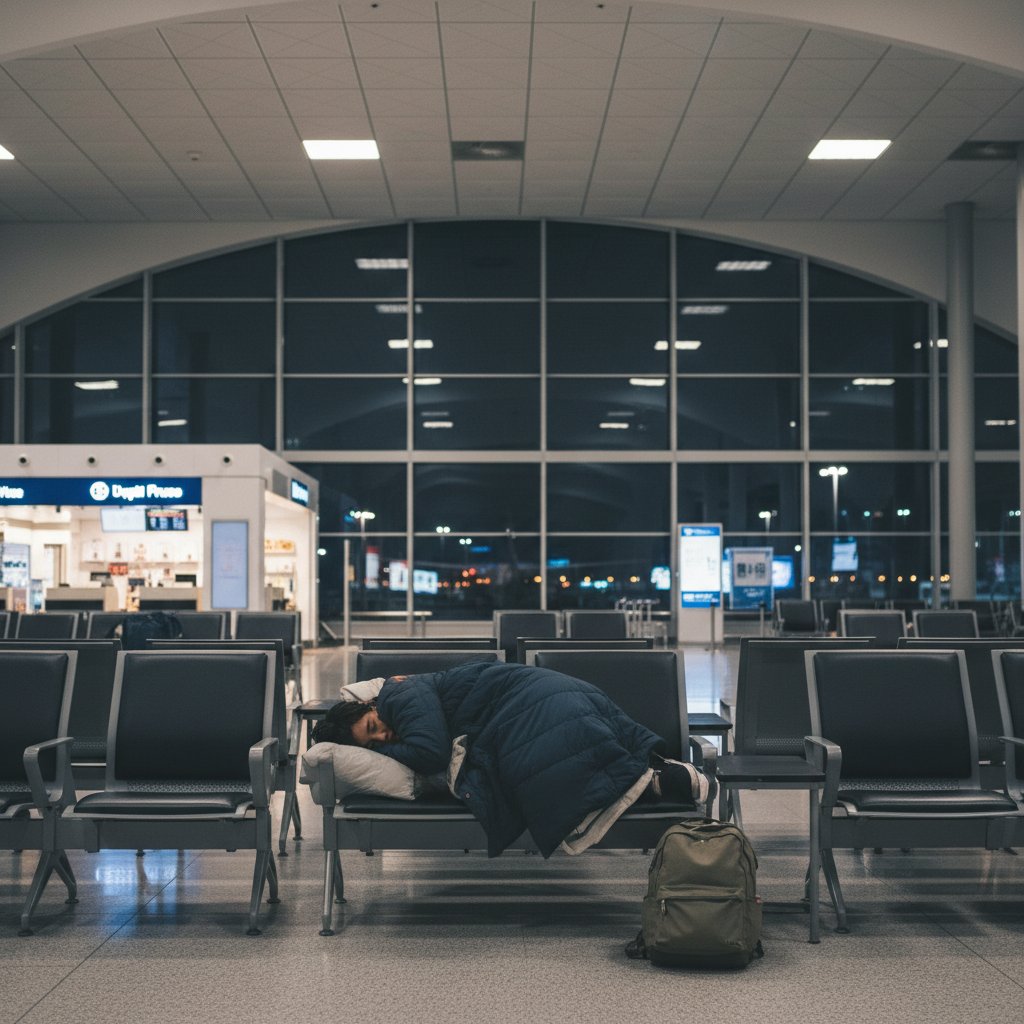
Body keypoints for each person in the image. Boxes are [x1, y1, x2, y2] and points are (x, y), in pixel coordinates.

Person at [311, 660, 709, 858]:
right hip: (534, 696)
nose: (383, 736)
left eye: (373, 726)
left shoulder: (400, 695)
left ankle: (648, 780)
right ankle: (655, 778)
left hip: (531, 698)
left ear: (370, 705)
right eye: (373, 743)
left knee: (533, 758)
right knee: (533, 757)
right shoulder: (398, 708)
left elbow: (431, 752)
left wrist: (382, 749)